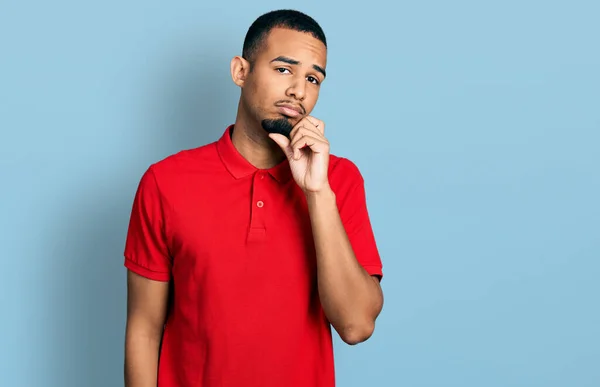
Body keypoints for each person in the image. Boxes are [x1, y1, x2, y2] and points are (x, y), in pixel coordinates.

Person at [123, 9, 384, 387]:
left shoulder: (338, 180)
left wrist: (317, 192)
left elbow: (357, 324)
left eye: (313, 78)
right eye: (283, 69)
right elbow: (144, 330)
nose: (299, 89)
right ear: (240, 72)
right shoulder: (164, 182)